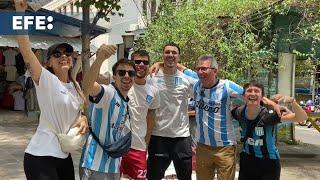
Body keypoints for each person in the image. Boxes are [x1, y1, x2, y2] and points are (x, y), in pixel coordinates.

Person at [14, 1, 88, 179]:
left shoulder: (75, 86)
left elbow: (77, 111)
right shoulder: (46, 79)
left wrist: (83, 117)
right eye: (57, 54)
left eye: (67, 53)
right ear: (48, 62)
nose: (63, 56)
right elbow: (25, 48)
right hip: (41, 154)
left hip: (64, 154)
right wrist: (20, 12)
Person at [79, 44, 136, 180]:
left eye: (131, 73)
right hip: (95, 164)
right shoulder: (108, 93)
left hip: (113, 165)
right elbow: (87, 86)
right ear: (114, 77)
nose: (127, 76)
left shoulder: (125, 100)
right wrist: (100, 59)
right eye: (121, 72)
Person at [231, 80, 308, 180]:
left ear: (262, 97)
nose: (253, 93)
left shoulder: (270, 114)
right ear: (244, 95)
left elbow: (302, 117)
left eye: (257, 91)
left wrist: (293, 101)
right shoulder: (239, 112)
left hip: (269, 162)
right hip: (247, 160)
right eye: (249, 91)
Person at [147, 42, 195, 180]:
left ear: (179, 57)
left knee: (185, 177)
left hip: (181, 136)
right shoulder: (152, 77)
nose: (170, 55)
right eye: (167, 52)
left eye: (174, 53)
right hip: (158, 136)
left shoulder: (186, 79)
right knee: (153, 176)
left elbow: (203, 82)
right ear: (163, 55)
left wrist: (182, 67)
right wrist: (158, 64)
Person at [120, 50, 160, 180]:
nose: (141, 64)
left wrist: (146, 142)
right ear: (131, 63)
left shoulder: (153, 91)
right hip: (117, 147)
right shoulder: (120, 83)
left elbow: (151, 117)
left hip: (139, 147)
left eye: (145, 62)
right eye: (137, 62)